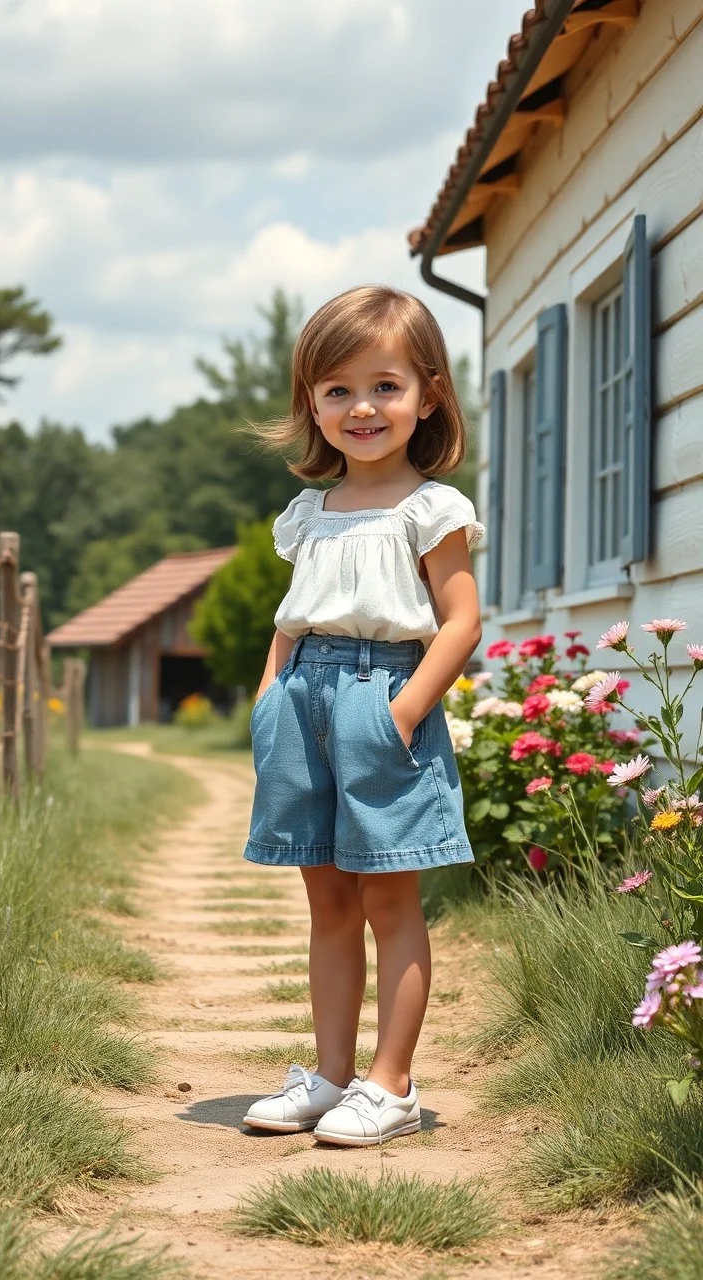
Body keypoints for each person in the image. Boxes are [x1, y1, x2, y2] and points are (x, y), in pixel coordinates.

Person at [241, 284, 485, 1147]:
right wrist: (269, 699)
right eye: (337, 389)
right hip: (301, 698)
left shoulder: (431, 510)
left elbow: (461, 622)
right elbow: (291, 619)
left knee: (388, 897)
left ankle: (392, 1084)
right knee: (329, 901)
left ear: (429, 395)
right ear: (312, 403)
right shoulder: (308, 513)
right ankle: (331, 1075)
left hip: (384, 698)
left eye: (385, 385)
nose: (363, 408)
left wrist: (404, 712)